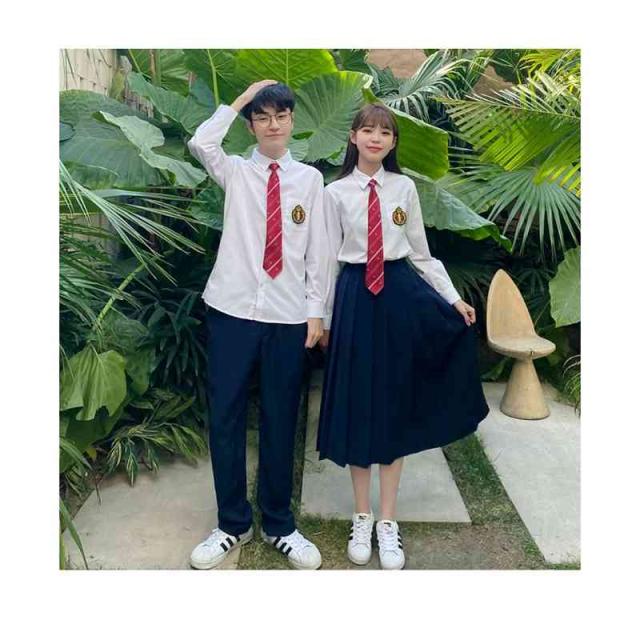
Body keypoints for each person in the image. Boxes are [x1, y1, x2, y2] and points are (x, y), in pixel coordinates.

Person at [317, 102, 490, 570]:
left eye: (385, 132)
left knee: (393, 401)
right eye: (368, 130)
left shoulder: (404, 188)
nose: (376, 138)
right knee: (360, 403)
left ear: (393, 142)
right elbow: (327, 261)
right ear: (353, 137)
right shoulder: (334, 194)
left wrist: (453, 298)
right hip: (354, 297)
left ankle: (388, 521)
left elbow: (421, 253)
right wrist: (325, 318)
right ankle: (362, 515)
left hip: (397, 295)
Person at [187, 80, 327, 570]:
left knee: (280, 418)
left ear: (291, 122)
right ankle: (231, 523)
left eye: (280, 116)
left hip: (287, 316)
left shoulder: (310, 181)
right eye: (263, 117)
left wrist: (316, 310)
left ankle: (280, 524)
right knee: (224, 416)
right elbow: (201, 142)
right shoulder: (236, 172)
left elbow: (318, 251)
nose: (272, 125)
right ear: (251, 126)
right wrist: (242, 99)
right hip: (231, 311)